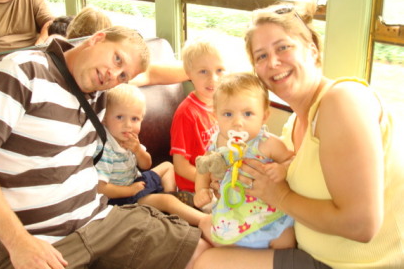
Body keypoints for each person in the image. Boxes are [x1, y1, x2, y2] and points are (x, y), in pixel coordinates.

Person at [0, 26, 210, 269]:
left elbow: (152, 73)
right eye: (117, 59)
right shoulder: (21, 71)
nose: (113, 75)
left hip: (98, 223)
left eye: (123, 76)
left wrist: (206, 72)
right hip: (30, 237)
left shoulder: (100, 92)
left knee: (202, 252)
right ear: (97, 38)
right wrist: (18, 241)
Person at [194, 2, 403, 269]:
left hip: (359, 264)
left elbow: (361, 225)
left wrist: (278, 196)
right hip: (308, 250)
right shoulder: (292, 126)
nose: (273, 62)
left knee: (207, 263)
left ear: (312, 50)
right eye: (261, 56)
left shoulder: (342, 101)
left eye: (283, 47)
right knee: (202, 249)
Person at [195, 72, 295, 249]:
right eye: (228, 114)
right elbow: (204, 169)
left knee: (286, 239)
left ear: (264, 116)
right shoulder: (216, 142)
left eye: (248, 113)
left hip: (268, 217)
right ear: (215, 115)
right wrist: (201, 189)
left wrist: (283, 169)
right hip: (232, 217)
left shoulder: (267, 143)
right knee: (214, 236)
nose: (237, 123)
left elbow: (291, 159)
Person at [95, 83, 207, 226]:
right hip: (122, 199)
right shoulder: (105, 148)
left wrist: (138, 150)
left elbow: (146, 164)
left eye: (134, 119)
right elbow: (101, 188)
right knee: (167, 202)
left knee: (168, 166)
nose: (128, 125)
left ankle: (170, 196)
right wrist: (129, 191)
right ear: (104, 118)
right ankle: (203, 220)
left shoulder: (130, 138)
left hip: (136, 182)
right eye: (119, 117)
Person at [169, 38, 227, 201]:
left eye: (220, 70)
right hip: (194, 189)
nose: (213, 79)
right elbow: (181, 167)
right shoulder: (186, 114)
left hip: (217, 179)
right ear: (189, 74)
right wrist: (208, 182)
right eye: (203, 71)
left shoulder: (222, 105)